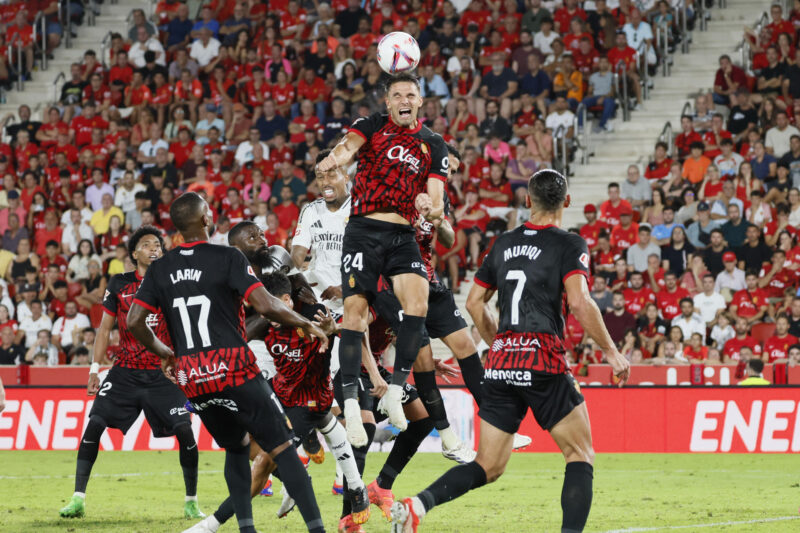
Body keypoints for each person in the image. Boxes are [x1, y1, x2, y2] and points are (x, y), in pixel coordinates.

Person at [390, 169, 630, 533]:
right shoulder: (569, 244)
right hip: (543, 357)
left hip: (502, 363)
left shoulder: (503, 243)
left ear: (527, 200)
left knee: (488, 465)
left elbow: (474, 303)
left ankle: (417, 505)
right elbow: (580, 302)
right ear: (566, 201)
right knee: (579, 453)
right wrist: (611, 351)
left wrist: (500, 343)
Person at [127, 192, 327, 533]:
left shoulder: (159, 269)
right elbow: (266, 305)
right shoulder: (228, 257)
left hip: (194, 377)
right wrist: (306, 323)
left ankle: (246, 530)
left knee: (236, 448)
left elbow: (134, 322)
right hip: (234, 368)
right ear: (206, 219)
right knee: (283, 448)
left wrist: (165, 353)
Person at [315, 73, 448, 443]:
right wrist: (334, 159)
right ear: (388, 102)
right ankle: (351, 406)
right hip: (364, 230)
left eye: (411, 94)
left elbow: (438, 202)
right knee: (354, 314)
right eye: (397, 95)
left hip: (403, 235)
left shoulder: (433, 143)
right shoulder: (371, 125)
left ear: (420, 101)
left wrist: (430, 206)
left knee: (417, 305)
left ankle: (395, 388)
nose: (404, 100)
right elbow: (347, 148)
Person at [59, 226, 204, 520]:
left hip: (163, 373)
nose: (154, 249)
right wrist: (94, 369)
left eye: (158, 245)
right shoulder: (119, 284)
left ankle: (191, 502)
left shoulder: (173, 282)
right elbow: (104, 329)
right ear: (134, 253)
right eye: (147, 244)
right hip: (124, 371)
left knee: (185, 430)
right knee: (95, 423)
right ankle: (77, 499)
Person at [290, 150, 351, 314]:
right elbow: (297, 256)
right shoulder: (310, 210)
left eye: (331, 175)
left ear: (346, 177)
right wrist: (292, 281)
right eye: (320, 177)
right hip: (315, 291)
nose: (325, 182)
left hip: (349, 290)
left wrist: (345, 288)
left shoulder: (360, 210)